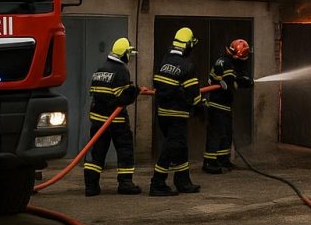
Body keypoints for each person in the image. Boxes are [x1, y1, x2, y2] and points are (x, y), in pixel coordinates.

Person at [83, 37, 142, 196]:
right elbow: (122, 99)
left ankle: (91, 186)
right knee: (125, 150)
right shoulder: (121, 70)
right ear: (124, 54)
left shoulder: (101, 68)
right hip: (116, 121)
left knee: (97, 152)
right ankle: (125, 184)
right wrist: (134, 91)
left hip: (97, 120)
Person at [149, 27, 202, 196]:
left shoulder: (164, 62)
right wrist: (200, 106)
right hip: (177, 114)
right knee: (171, 147)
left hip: (163, 114)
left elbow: (159, 85)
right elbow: (193, 92)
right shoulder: (187, 66)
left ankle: (183, 181)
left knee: (180, 147)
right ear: (187, 45)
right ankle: (157, 182)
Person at [202, 39, 254, 174]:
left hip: (224, 105)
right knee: (215, 134)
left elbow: (234, 79)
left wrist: (244, 80)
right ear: (236, 54)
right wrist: (244, 81)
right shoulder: (225, 62)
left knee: (226, 134)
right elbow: (231, 81)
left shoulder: (229, 62)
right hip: (215, 104)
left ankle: (222, 159)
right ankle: (209, 162)